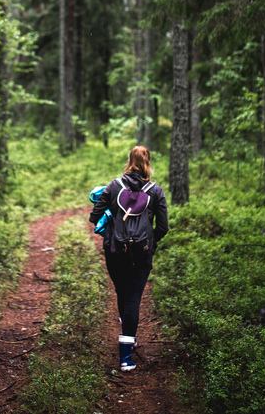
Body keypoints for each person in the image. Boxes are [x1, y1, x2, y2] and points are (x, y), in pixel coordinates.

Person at [89, 145, 169, 372]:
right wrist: (150, 244)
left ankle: (128, 335)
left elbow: (94, 217)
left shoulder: (114, 186)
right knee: (133, 297)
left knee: (123, 292)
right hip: (142, 252)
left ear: (129, 161)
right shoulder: (156, 191)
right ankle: (126, 357)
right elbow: (163, 227)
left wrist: (110, 230)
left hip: (115, 250)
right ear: (148, 162)